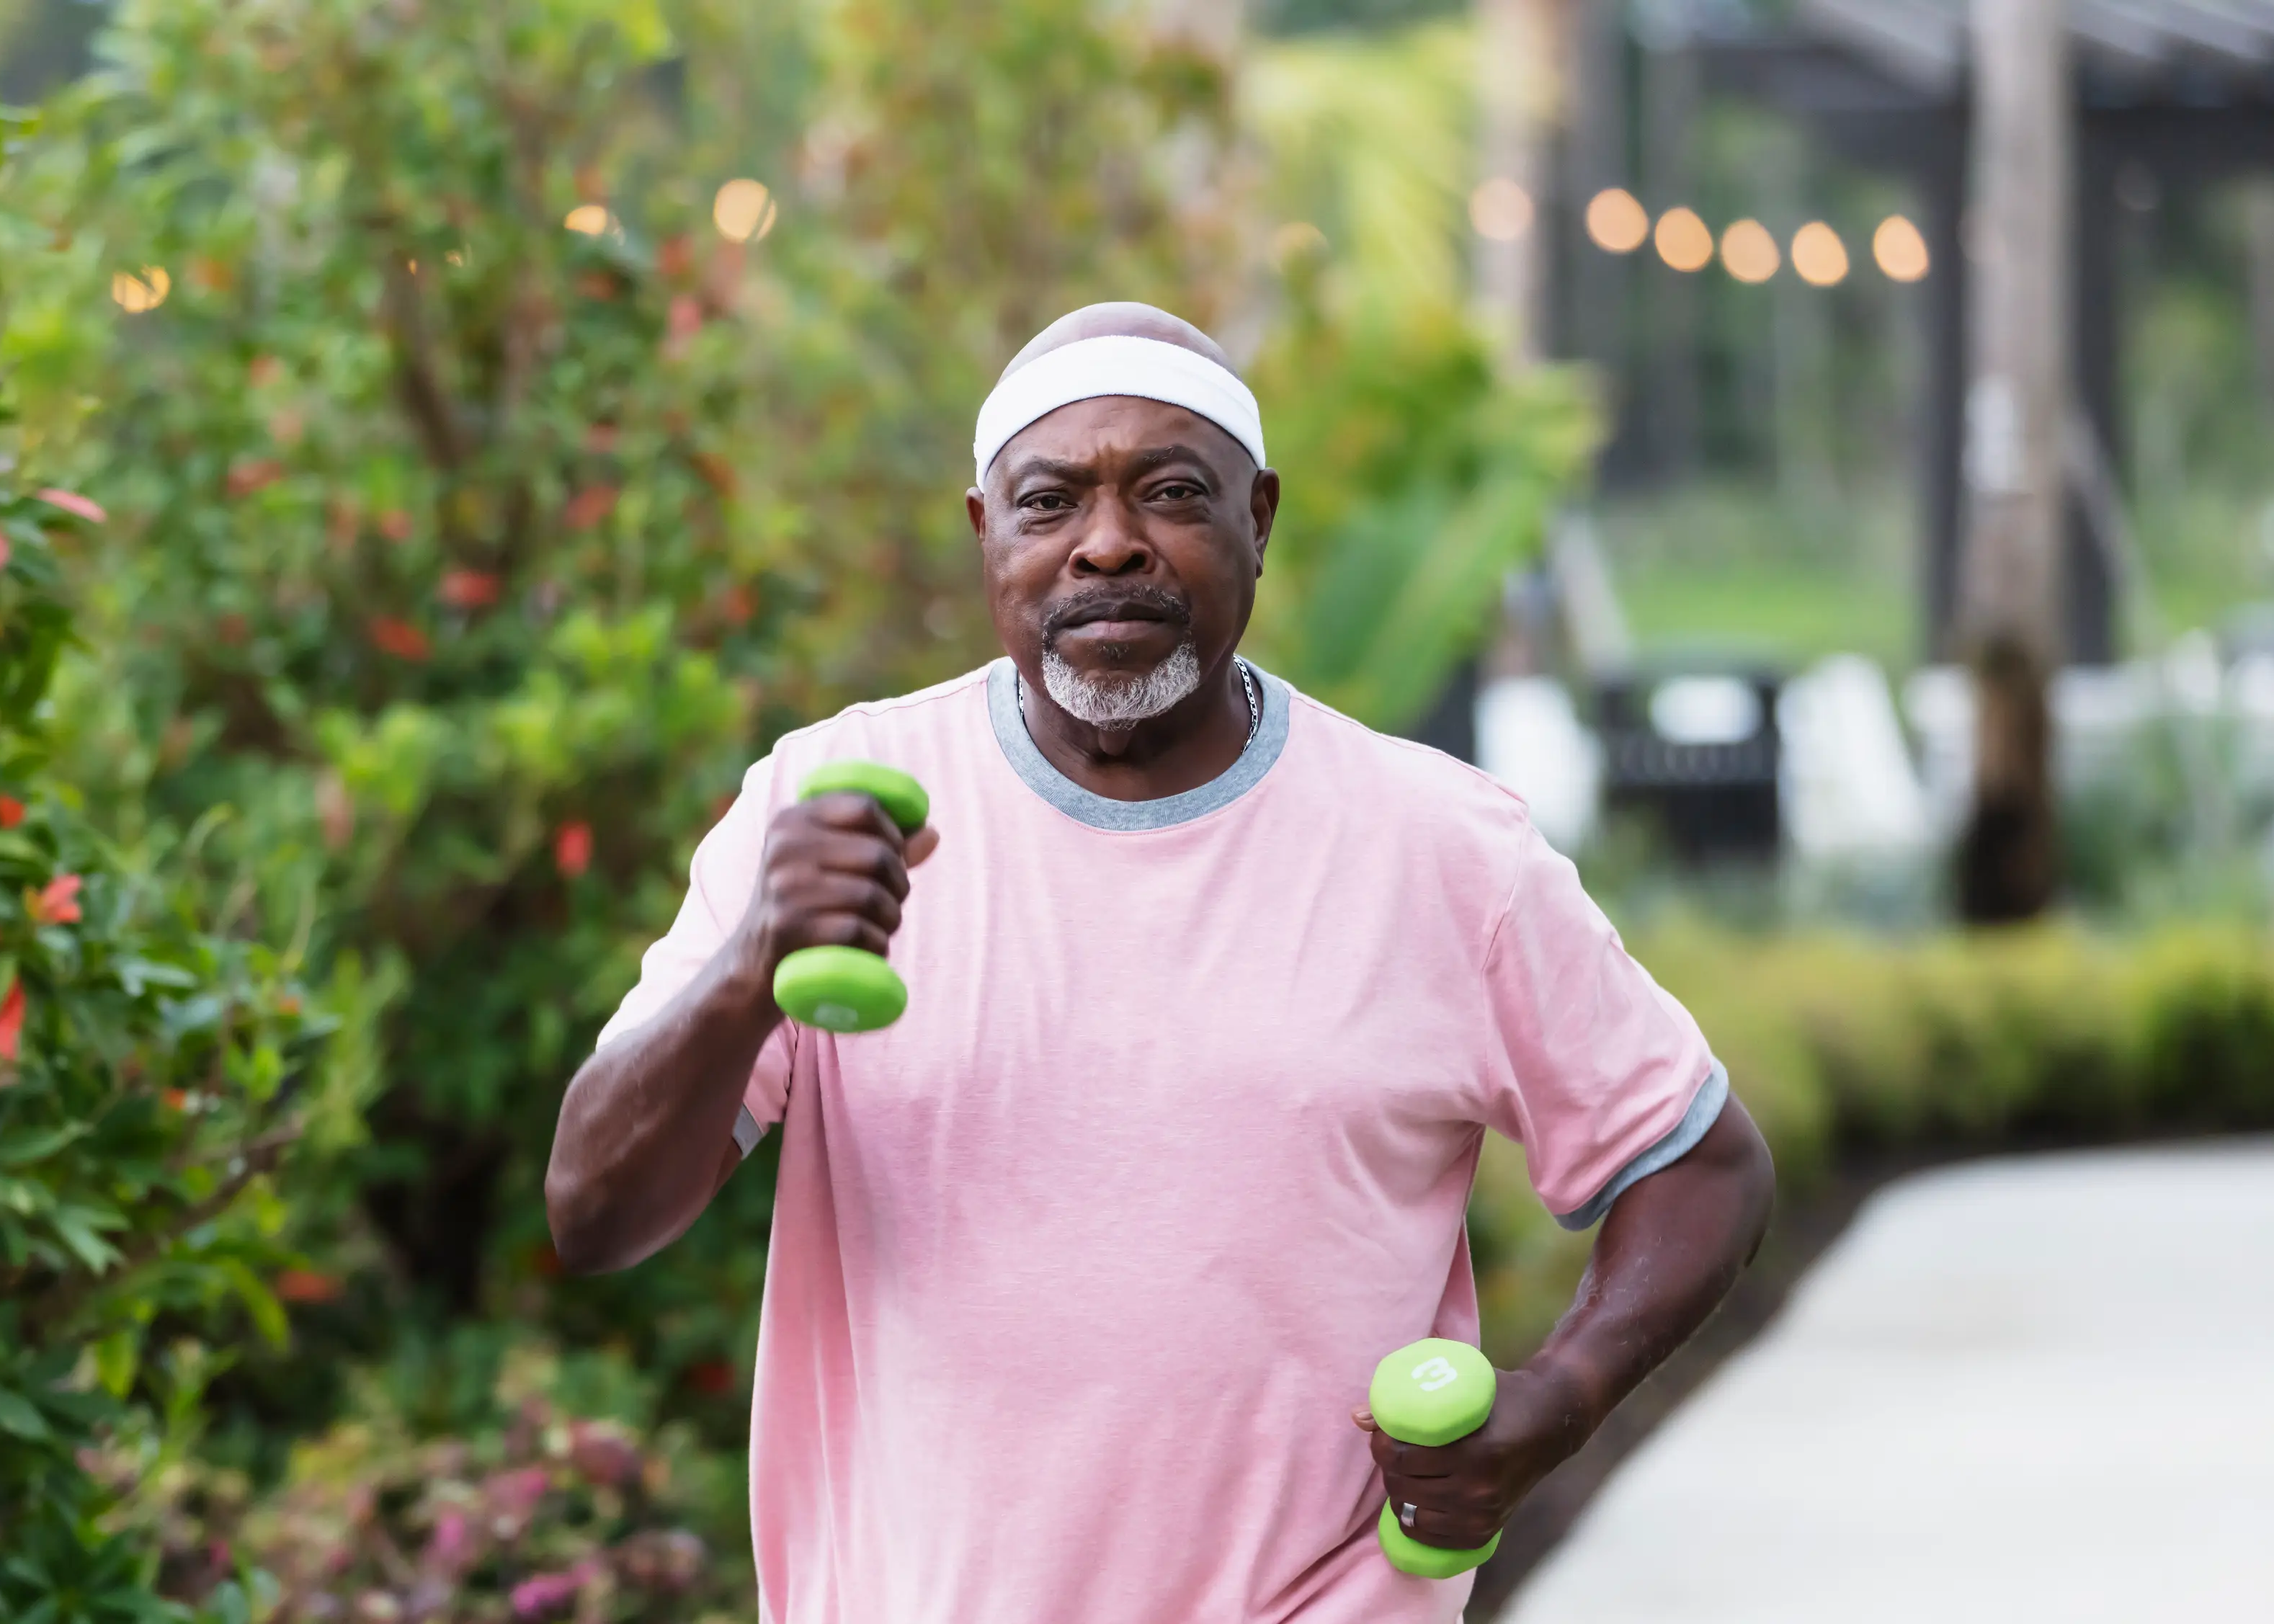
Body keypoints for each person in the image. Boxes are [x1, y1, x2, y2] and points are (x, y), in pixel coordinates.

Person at [545, 302, 1776, 1623]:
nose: (1110, 540)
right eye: (1050, 499)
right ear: (985, 535)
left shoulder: (1442, 847)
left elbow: (1698, 1159)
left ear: (1262, 517)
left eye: (1173, 493)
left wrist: (1563, 1398)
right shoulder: (834, 807)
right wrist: (748, 968)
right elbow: (595, 1211)